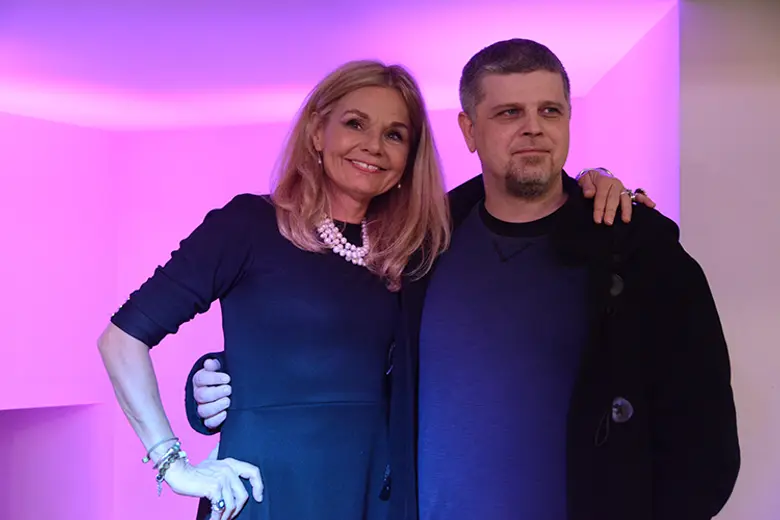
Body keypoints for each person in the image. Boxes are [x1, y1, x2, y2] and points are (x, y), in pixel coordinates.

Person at [188, 40, 741, 520]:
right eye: (508, 112)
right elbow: (343, 342)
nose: (533, 127)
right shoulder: (421, 241)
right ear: (469, 130)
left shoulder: (637, 252)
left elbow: (706, 442)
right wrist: (221, 377)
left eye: (550, 110)